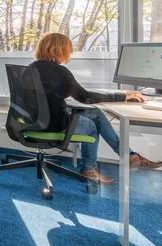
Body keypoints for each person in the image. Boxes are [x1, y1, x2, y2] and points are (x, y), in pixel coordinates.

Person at [30, 32, 161, 184]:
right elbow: (86, 97)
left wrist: (119, 95)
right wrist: (122, 96)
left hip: (37, 119)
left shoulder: (32, 68)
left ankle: (131, 156)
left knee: (95, 113)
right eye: (68, 50)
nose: (70, 54)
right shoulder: (60, 72)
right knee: (91, 126)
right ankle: (89, 170)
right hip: (53, 124)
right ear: (60, 50)